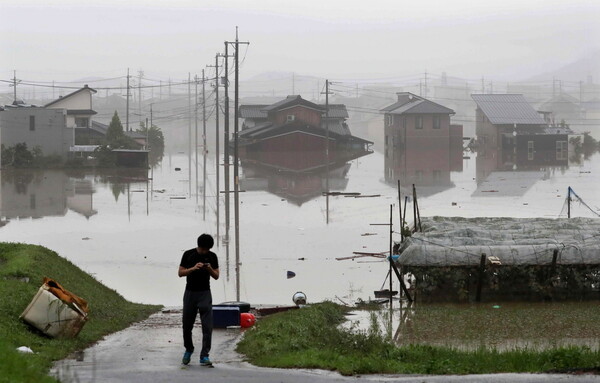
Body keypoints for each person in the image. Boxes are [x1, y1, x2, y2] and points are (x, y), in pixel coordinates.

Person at [178, 234, 219, 366]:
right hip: (190, 293)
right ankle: (189, 349)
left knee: (207, 326)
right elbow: (180, 273)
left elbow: (216, 276)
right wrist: (193, 268)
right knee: (187, 325)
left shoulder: (212, 257)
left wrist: (209, 268)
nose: (204, 252)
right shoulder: (188, 254)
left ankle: (204, 355)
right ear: (199, 246)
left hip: (205, 293)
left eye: (207, 249)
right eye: (203, 249)